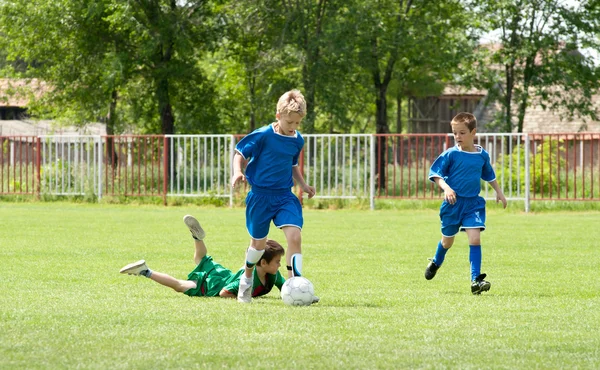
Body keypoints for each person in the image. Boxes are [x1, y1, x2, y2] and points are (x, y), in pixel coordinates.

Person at [230, 89, 316, 303]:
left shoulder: (297, 140)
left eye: (297, 123)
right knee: (258, 246)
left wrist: (303, 184)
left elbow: (293, 164)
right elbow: (239, 153)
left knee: (295, 237)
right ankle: (246, 281)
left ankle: (296, 286)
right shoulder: (263, 134)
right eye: (290, 123)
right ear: (278, 116)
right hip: (260, 197)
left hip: (284, 196)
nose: (293, 128)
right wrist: (237, 172)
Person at [424, 112, 507, 295]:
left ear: (473, 132)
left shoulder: (481, 155)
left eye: (462, 133)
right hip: (452, 204)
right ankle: (436, 262)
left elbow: (489, 174)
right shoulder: (451, 154)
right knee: (447, 242)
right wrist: (447, 188)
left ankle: (475, 280)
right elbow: (436, 174)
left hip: (473, 204)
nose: (457, 137)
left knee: (475, 238)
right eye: (455, 133)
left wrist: (499, 192)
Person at [120, 215, 289, 299]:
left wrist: (299, 295)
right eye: (277, 262)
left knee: (201, 260)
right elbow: (224, 293)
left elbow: (286, 288)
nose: (280, 266)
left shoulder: (273, 275)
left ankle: (197, 238)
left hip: (223, 274)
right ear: (264, 262)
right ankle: (145, 271)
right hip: (215, 285)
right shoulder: (246, 278)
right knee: (180, 285)